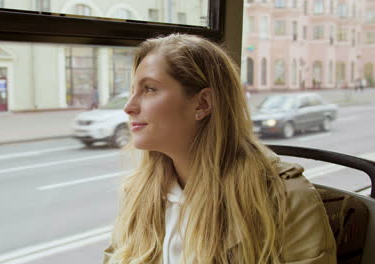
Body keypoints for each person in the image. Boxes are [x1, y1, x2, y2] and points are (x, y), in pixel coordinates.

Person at [103, 34, 336, 263]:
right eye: (133, 90)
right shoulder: (139, 192)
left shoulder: (285, 197)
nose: (128, 106)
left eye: (149, 89)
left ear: (203, 103)